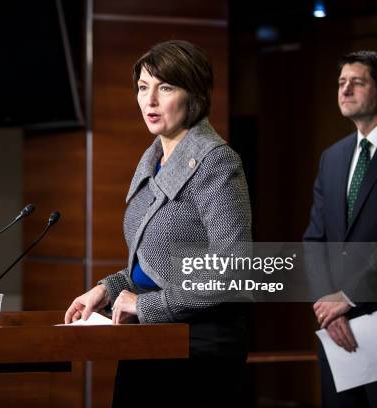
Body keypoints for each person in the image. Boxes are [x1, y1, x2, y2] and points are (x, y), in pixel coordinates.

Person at [64, 40, 252, 407]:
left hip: (198, 350)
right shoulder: (152, 161)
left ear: (194, 95)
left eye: (165, 88)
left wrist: (147, 306)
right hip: (148, 342)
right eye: (142, 87)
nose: (149, 101)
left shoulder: (217, 163)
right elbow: (155, 264)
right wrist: (108, 289)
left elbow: (233, 270)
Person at [304, 50, 377, 407]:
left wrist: (349, 297)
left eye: (357, 82)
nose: (345, 90)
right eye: (341, 83)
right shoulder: (333, 157)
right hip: (337, 328)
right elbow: (315, 240)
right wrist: (328, 303)